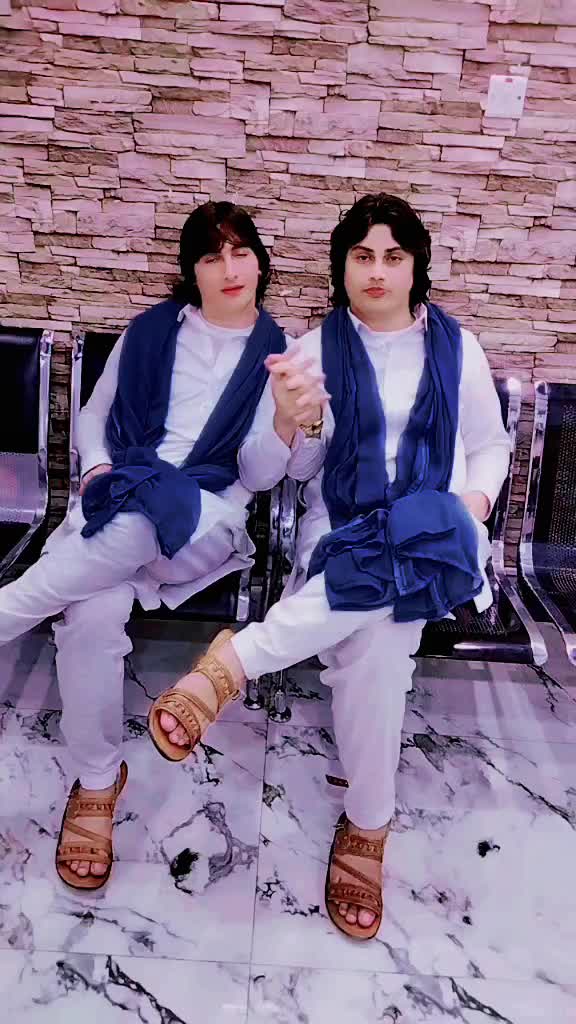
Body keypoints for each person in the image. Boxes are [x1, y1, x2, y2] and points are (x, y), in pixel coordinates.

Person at [147, 193, 511, 940]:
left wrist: (470, 504)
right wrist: (295, 420)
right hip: (342, 528)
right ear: (341, 266)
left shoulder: (460, 349)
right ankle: (368, 825)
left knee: (416, 546)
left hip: (442, 533)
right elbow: (273, 472)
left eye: (393, 257)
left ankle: (236, 661)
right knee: (376, 637)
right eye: (362, 256)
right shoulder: (311, 351)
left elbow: (490, 446)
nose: (377, 271)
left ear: (416, 267)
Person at [0, 201, 326, 890]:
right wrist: (97, 469)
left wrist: (285, 420)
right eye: (211, 256)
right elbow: (95, 417)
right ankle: (97, 781)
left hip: (205, 518)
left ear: (261, 263)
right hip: (120, 496)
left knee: (146, 517)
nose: (229, 268)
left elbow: (259, 476)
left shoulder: (283, 356)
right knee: (89, 614)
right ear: (192, 271)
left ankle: (11, 608)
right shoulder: (149, 331)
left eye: (241, 252)